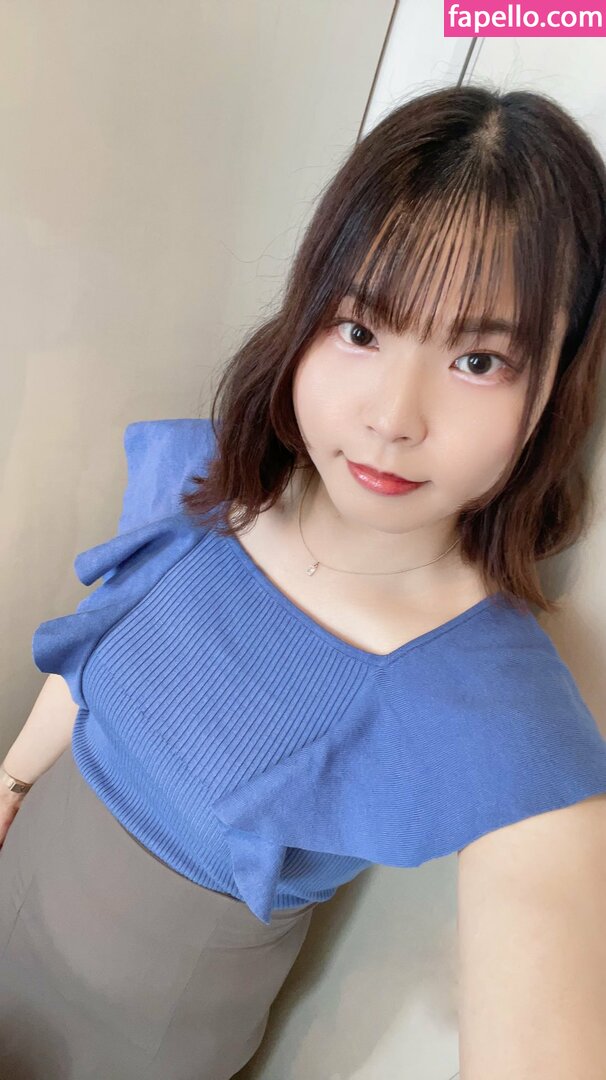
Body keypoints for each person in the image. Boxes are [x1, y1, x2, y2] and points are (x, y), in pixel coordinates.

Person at [2, 82, 606, 1080]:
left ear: (555, 386)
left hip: (139, 1045)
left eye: (479, 359)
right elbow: (93, 654)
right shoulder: (207, 483)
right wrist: (13, 778)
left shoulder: (496, 703)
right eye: (362, 330)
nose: (392, 418)